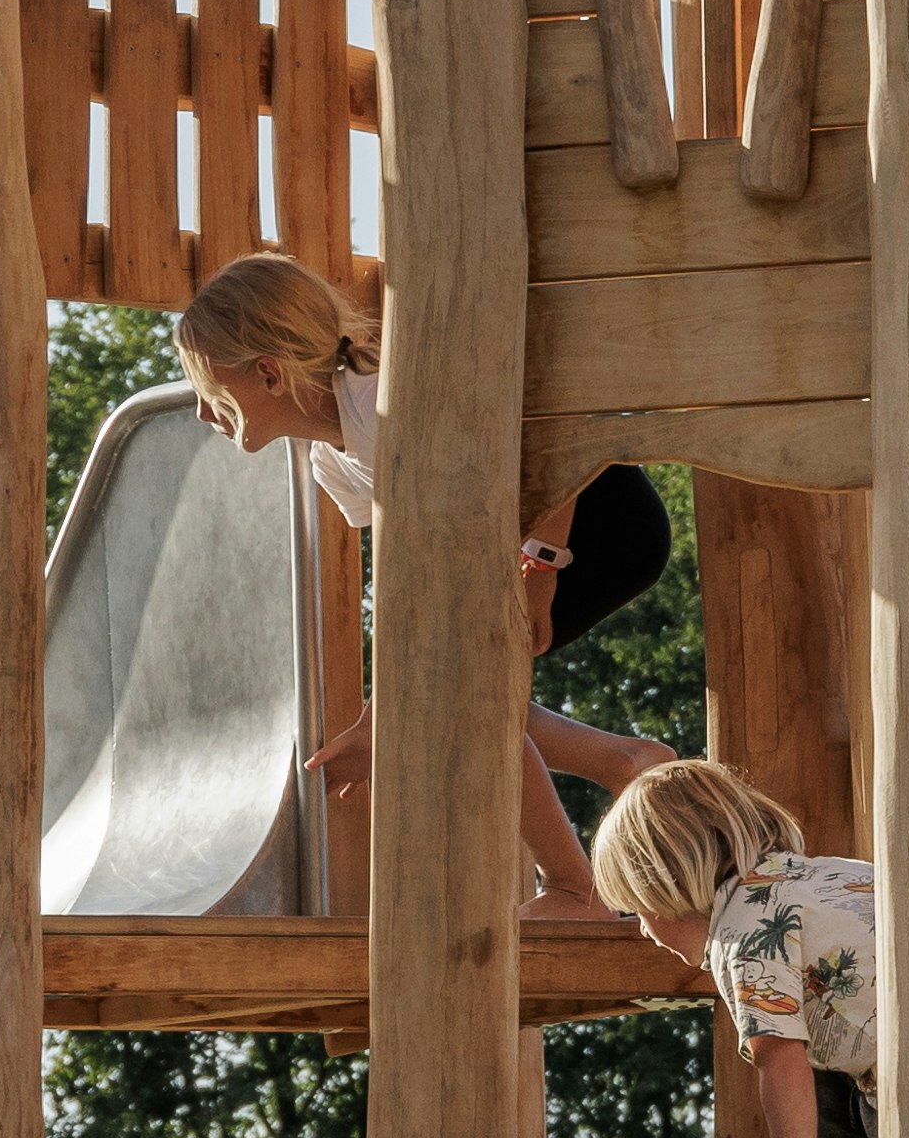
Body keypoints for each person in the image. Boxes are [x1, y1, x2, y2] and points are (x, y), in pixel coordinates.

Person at [177, 252, 654, 902]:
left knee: (455, 692)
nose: (204, 413)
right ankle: (623, 765)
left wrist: (541, 564)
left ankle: (575, 888)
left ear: (268, 375)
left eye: (210, 389)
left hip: (597, 515)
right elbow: (413, 592)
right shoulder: (334, 461)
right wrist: (381, 715)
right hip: (534, 537)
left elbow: (549, 425)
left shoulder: (387, 402)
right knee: (447, 683)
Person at [589, 754, 878, 1138]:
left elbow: (778, 1062)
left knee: (795, 1053)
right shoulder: (825, 873)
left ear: (672, 883)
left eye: (639, 908)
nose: (643, 929)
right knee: (822, 1059)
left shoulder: (743, 935)